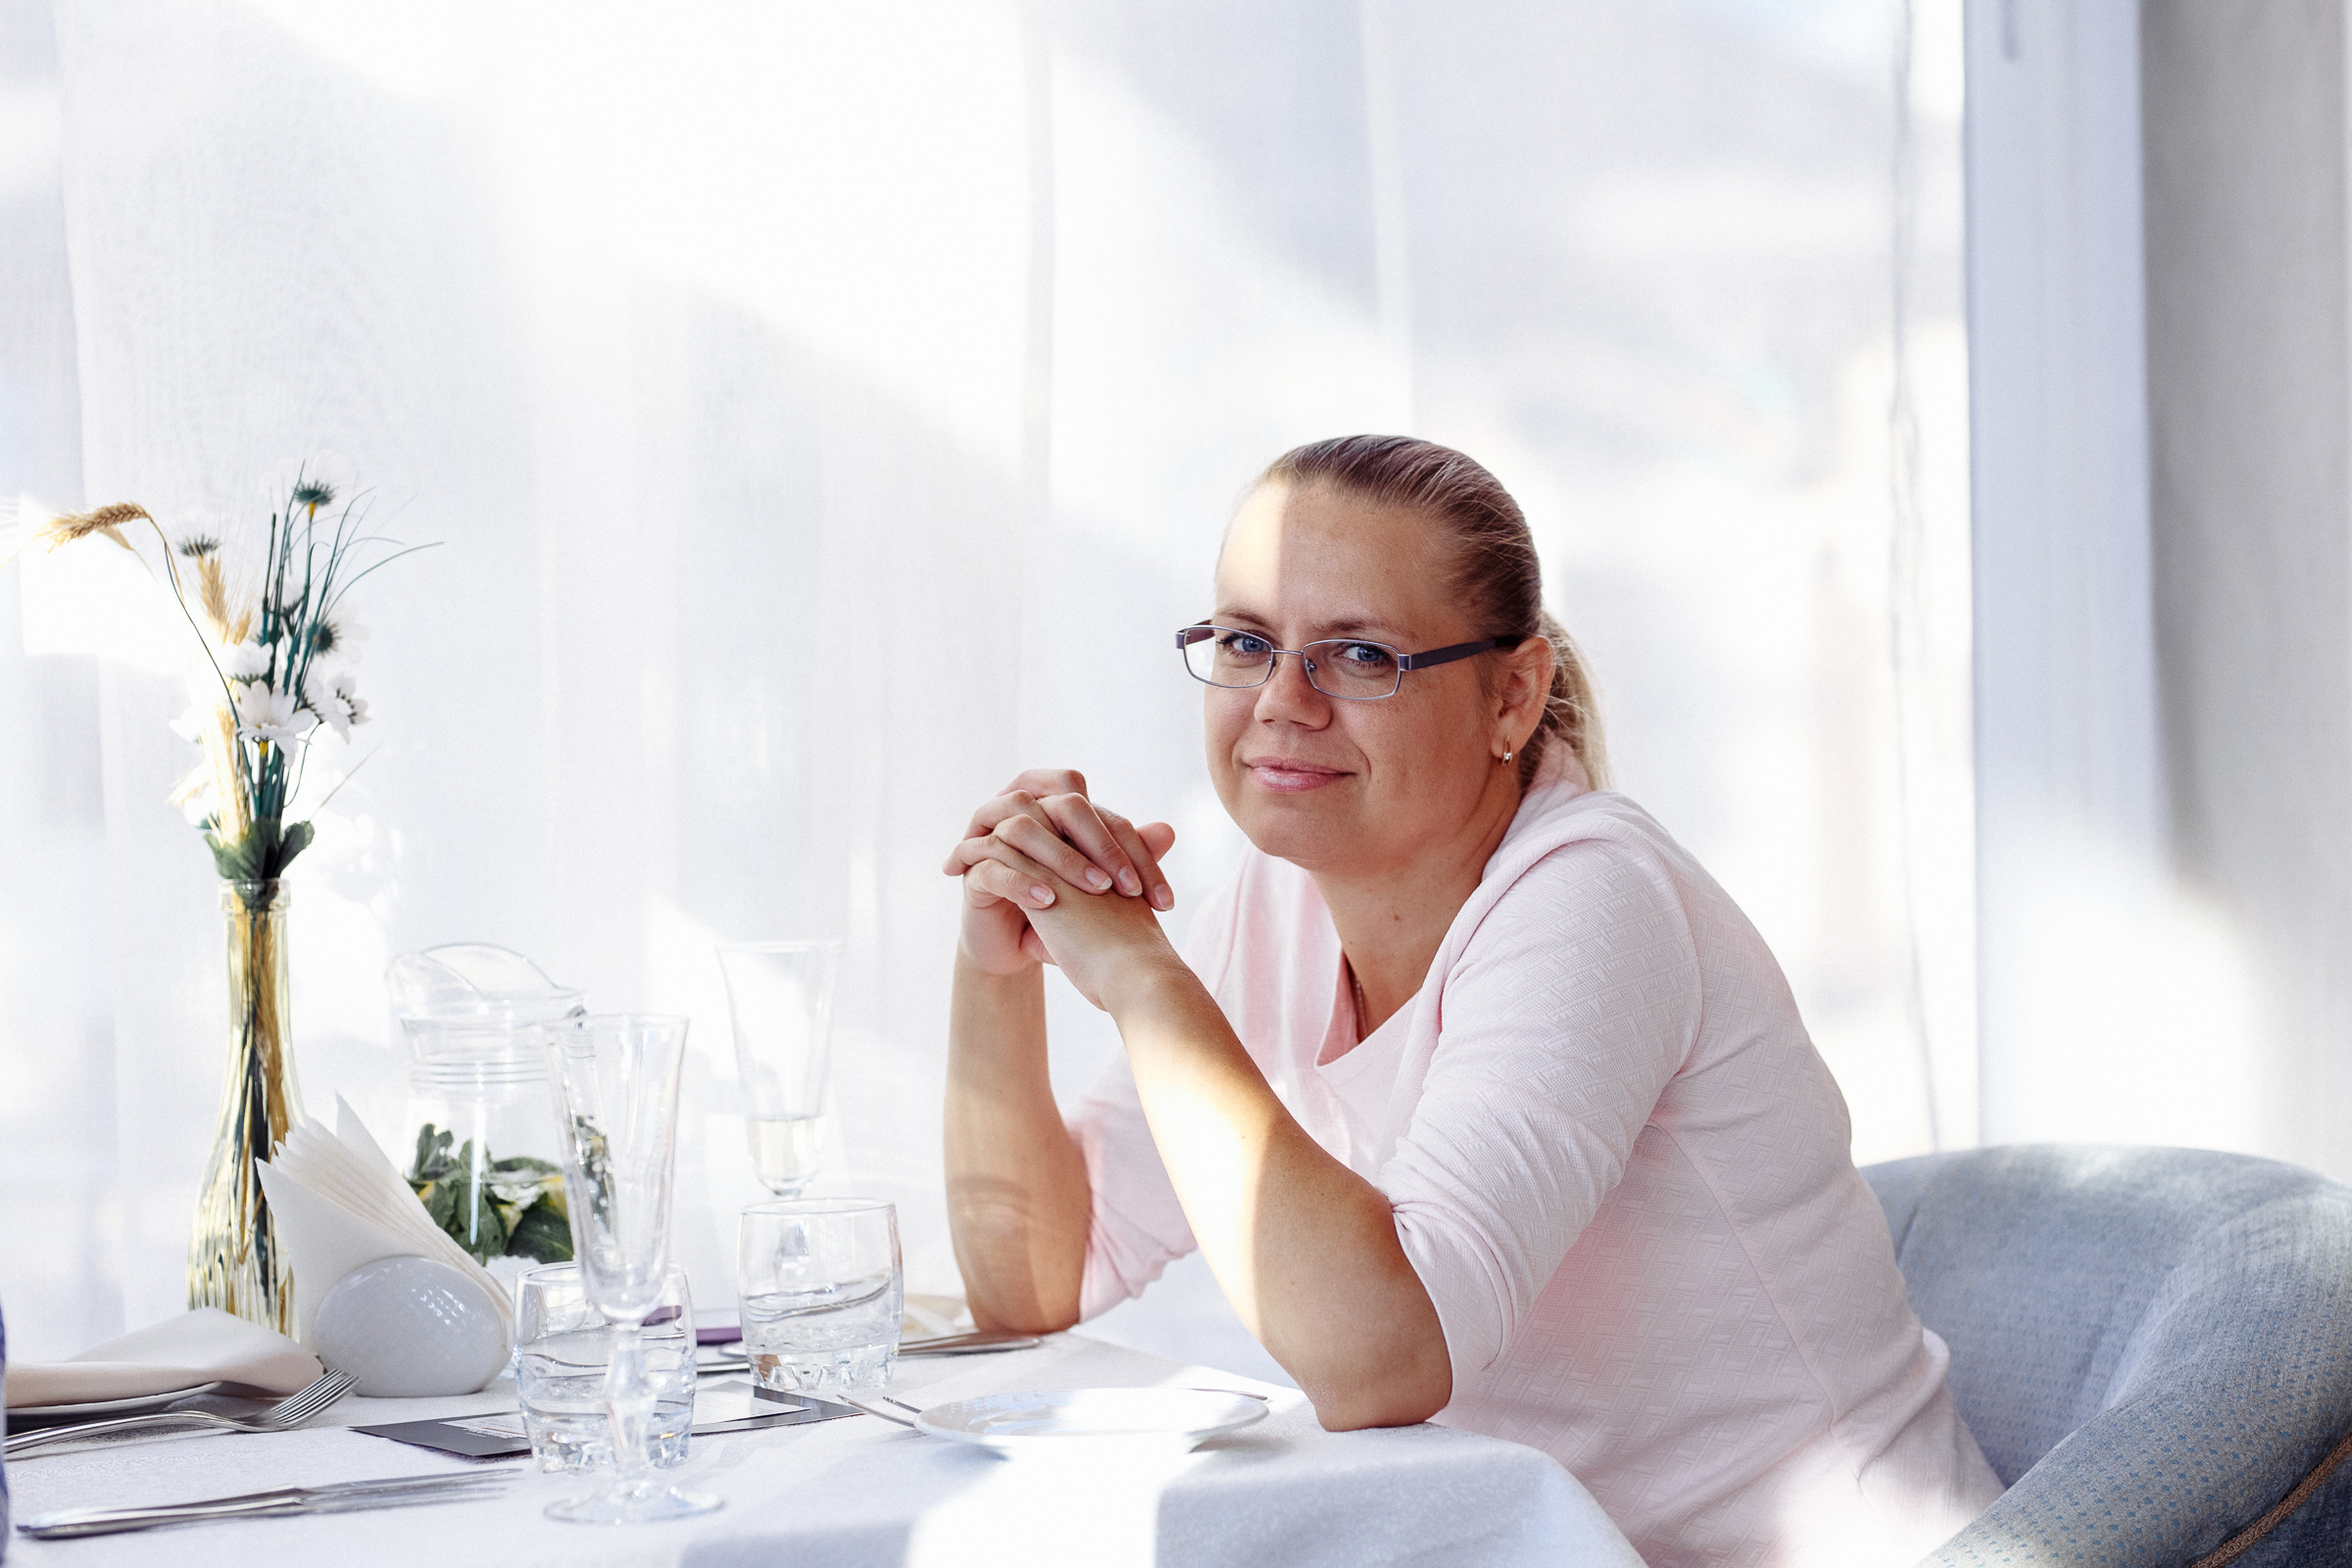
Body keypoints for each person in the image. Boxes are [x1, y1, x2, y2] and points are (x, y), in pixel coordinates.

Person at [940, 434, 2000, 1566]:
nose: (1282, 704)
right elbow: (1036, 1277)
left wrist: (1140, 978)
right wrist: (1001, 953)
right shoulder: (1275, 907)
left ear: (1513, 695)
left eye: (1358, 654)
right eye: (1249, 641)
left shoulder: (1594, 899)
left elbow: (1383, 1358)